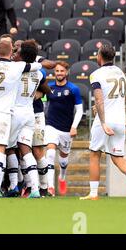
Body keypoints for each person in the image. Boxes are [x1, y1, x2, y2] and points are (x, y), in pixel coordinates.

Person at [0, 39, 54, 198]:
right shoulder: (38, 74)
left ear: (21, 55)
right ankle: (35, 189)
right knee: (26, 150)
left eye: (18, 52)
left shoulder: (16, 69)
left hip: (14, 113)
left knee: (0, 148)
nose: (15, 53)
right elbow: (46, 85)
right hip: (29, 114)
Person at [81, 44, 126, 200]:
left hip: (106, 119)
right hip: (120, 119)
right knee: (117, 157)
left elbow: (99, 99)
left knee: (95, 154)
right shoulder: (120, 73)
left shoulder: (96, 74)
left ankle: (94, 193)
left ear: (99, 56)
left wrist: (102, 122)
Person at [44, 61, 83, 197]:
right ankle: (50, 187)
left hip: (66, 129)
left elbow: (79, 110)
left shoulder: (73, 89)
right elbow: (43, 103)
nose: (59, 73)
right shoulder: (49, 87)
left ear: (66, 73)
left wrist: (74, 127)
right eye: (57, 71)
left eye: (61, 71)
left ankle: (62, 177)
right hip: (51, 125)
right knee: (49, 154)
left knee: (63, 159)